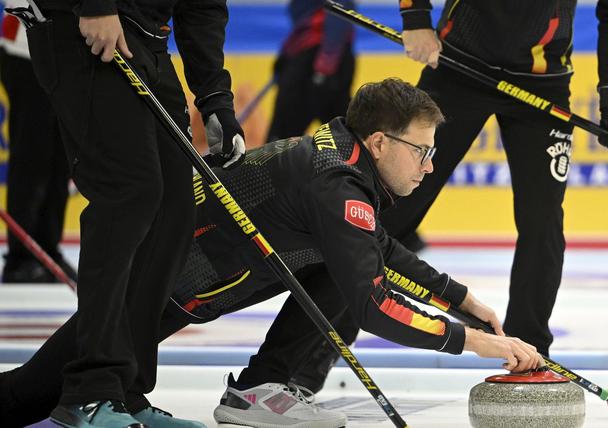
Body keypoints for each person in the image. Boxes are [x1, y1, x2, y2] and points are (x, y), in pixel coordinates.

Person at [0, 78, 544, 428]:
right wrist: (475, 344)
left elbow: (374, 247)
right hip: (156, 284)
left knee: (349, 266)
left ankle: (265, 387)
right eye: (422, 151)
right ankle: (261, 388)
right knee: (25, 397)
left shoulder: (343, 165)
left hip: (176, 282)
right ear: (380, 143)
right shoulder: (337, 187)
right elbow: (374, 305)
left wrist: (463, 299)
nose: (429, 166)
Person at [10, 0, 245, 424]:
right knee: (130, 193)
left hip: (149, 38)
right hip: (84, 25)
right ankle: (91, 389)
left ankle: (126, 392)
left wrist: (214, 96)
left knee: (175, 208)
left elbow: (204, 5)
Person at [384, 0, 608, 356]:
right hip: (458, 63)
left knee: (543, 222)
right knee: (394, 207)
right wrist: (415, 19)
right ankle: (308, 353)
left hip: (541, 82)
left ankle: (528, 352)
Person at [0, 0, 77, 284]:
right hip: (25, 50)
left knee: (61, 156)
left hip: (67, 55)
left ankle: (47, 249)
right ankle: (21, 257)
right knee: (32, 154)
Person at [267, 0, 356, 142]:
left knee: (281, 143)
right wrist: (287, 55)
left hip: (320, 56)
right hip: (313, 52)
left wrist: (327, 60)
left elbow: (339, 10)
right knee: (343, 138)